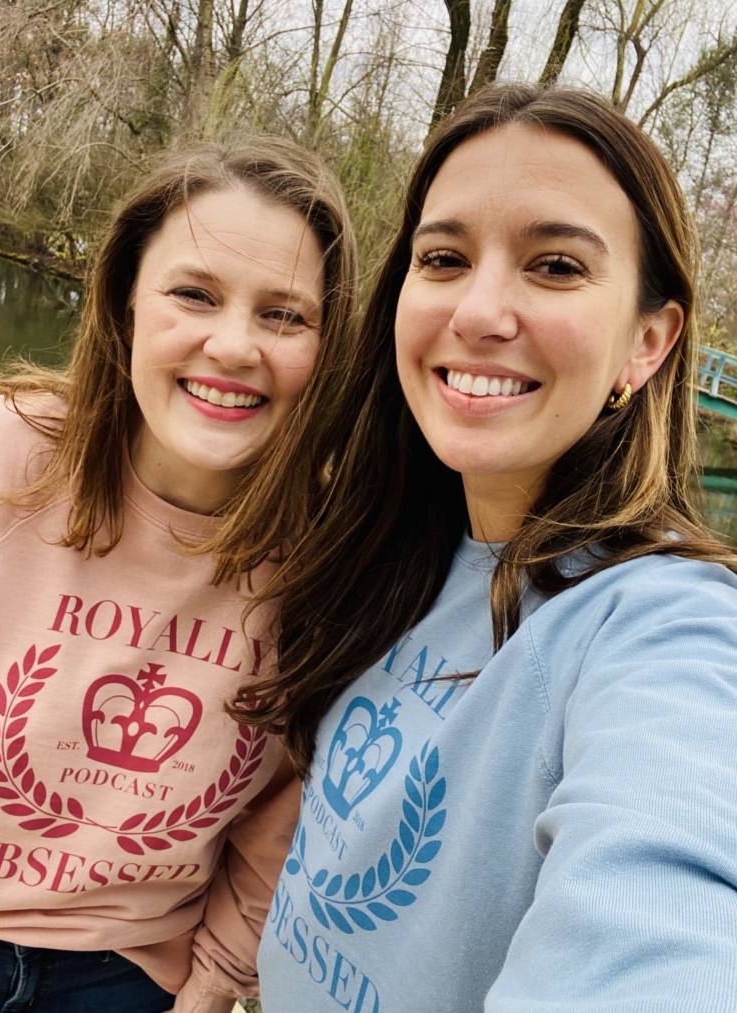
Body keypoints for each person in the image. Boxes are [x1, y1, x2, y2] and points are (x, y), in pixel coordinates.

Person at [232, 86, 737, 1011]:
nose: (480, 310)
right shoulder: (393, 549)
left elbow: (666, 916)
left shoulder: (661, 625)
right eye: (443, 258)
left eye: (554, 265)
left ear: (648, 343)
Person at [0, 137, 357, 1012]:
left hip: (129, 975)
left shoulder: (333, 556)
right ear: (124, 302)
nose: (233, 345)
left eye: (285, 315)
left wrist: (218, 979)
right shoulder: (0, 457)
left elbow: (284, 813)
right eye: (194, 294)